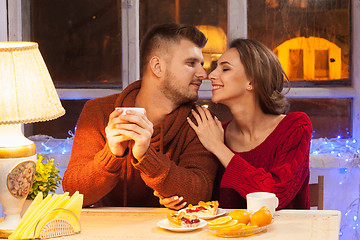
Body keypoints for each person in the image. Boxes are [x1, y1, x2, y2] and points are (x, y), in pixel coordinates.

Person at [62, 23, 219, 207]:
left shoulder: (199, 121)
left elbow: (200, 195)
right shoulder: (98, 111)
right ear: (158, 67)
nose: (203, 73)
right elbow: (73, 193)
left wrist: (147, 156)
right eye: (190, 63)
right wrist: (112, 154)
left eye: (200, 64)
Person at [155, 38, 312, 210]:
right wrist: (176, 196)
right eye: (216, 68)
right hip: (227, 236)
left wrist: (219, 147)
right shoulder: (214, 132)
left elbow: (274, 197)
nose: (211, 75)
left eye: (225, 69)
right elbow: (203, 197)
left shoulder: (295, 127)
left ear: (252, 82)